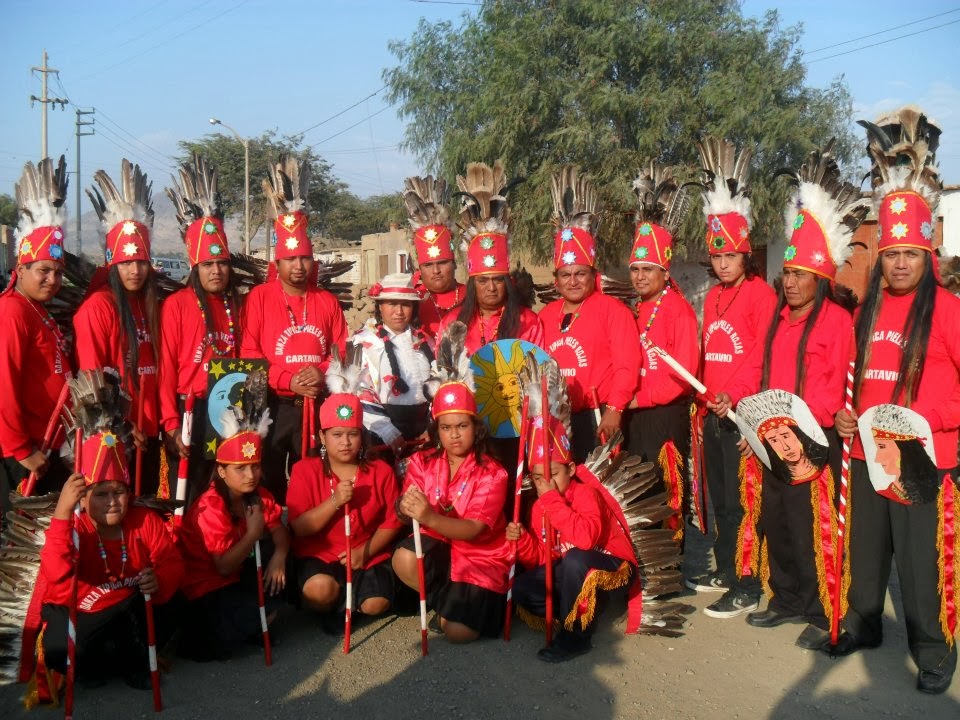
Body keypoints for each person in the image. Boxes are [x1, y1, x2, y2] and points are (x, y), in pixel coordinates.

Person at [832, 107, 958, 694]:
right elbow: (855, 379)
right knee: (867, 552)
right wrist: (847, 413)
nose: (900, 263)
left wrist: (924, 422)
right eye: (891, 254)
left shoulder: (953, 314)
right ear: (880, 257)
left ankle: (933, 651)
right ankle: (863, 625)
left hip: (924, 460)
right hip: (866, 453)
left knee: (920, 564)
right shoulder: (868, 311)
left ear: (927, 254)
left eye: (910, 254)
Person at [744, 143, 865, 649]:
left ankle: (820, 607)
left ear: (819, 276)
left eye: (800, 275)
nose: (790, 282)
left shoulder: (836, 322)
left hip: (812, 441)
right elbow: (759, 367)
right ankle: (787, 597)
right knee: (776, 520)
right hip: (772, 437)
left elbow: (828, 383)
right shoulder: (776, 316)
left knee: (813, 525)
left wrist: (796, 424)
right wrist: (749, 408)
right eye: (787, 274)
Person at [32, 374, 183, 690]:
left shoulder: (143, 520)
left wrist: (160, 579)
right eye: (101, 495)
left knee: (171, 606)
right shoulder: (73, 526)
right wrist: (62, 514)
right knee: (63, 647)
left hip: (132, 612)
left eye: (119, 492)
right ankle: (121, 658)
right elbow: (57, 577)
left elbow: (171, 563)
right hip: (86, 616)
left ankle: (129, 659)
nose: (113, 503)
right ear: (83, 499)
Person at [687, 138, 777, 619]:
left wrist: (734, 397)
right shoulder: (715, 297)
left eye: (730, 257)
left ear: (746, 256)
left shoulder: (761, 295)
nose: (722, 263)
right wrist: (704, 397)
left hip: (743, 416)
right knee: (722, 502)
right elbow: (711, 355)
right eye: (716, 257)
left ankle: (746, 583)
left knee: (744, 505)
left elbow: (760, 357)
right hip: (714, 415)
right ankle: (726, 568)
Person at [240, 155, 348, 504]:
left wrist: (319, 375)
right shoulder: (259, 297)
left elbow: (341, 350)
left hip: (317, 403)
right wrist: (287, 380)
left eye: (305, 258)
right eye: (291, 259)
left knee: (314, 481)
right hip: (274, 403)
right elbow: (250, 353)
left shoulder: (326, 301)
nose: (299, 266)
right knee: (267, 479)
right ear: (278, 263)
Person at [393, 335, 512, 643]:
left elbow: (473, 529)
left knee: (459, 634)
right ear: (437, 431)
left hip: (479, 554)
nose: (454, 435)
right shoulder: (422, 460)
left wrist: (428, 516)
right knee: (404, 558)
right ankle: (444, 602)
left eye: (462, 426)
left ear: (476, 427)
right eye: (446, 428)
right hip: (441, 546)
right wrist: (405, 508)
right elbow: (408, 508)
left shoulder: (493, 473)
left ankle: (454, 609)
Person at [507, 396, 636, 662]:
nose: (547, 483)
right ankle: (570, 610)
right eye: (540, 478)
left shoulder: (585, 494)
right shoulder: (539, 507)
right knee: (520, 587)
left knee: (576, 560)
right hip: (570, 569)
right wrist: (521, 541)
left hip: (610, 565)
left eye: (554, 474)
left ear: (571, 469)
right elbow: (545, 558)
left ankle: (576, 635)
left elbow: (586, 540)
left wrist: (552, 501)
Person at [538, 166, 640, 461]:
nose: (573, 281)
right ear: (556, 280)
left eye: (580, 273)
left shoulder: (613, 310)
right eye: (566, 274)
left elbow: (626, 365)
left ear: (592, 274)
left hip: (599, 417)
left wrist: (615, 410)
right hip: (557, 419)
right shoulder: (547, 315)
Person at [74, 160, 162, 496]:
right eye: (126, 262)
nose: (135, 270)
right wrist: (122, 424)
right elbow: (92, 379)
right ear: (112, 262)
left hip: (150, 425)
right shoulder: (99, 307)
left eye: (141, 261)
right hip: (116, 431)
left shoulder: (148, 305)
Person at [177, 405, 290, 661]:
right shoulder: (210, 507)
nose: (251, 475)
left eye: (255, 466)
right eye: (240, 468)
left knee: (274, 555)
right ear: (222, 471)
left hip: (237, 579)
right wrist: (252, 533)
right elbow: (223, 567)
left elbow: (279, 529)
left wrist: (280, 556)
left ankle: (253, 623)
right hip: (206, 587)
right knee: (228, 637)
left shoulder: (258, 494)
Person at [160, 155, 241, 507]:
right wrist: (171, 422)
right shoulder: (177, 304)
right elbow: (165, 367)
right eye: (208, 264)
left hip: (227, 408)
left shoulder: (236, 303)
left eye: (222, 263)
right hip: (189, 407)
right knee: (190, 496)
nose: (216, 271)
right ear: (195, 266)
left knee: (225, 493)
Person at [623, 164, 699, 535]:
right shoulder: (636, 308)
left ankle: (669, 566)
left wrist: (642, 399)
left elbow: (683, 375)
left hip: (664, 413)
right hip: (635, 413)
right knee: (639, 489)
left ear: (664, 272)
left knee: (666, 488)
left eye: (647, 269)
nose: (639, 276)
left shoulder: (678, 310)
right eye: (635, 269)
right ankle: (647, 566)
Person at [287, 391, 402, 628]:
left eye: (353, 434)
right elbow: (298, 527)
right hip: (320, 553)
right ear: (322, 436)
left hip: (366, 553)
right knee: (320, 592)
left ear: (362, 435)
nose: (345, 442)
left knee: (376, 604)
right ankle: (332, 602)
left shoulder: (380, 470)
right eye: (337, 435)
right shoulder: (304, 470)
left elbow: (393, 520)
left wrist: (365, 551)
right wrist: (334, 502)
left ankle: (353, 602)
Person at [0, 156, 72, 505]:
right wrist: (20, 449)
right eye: (44, 270)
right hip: (23, 454)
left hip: (46, 447)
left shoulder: (36, 309)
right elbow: (4, 384)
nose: (52, 280)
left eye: (58, 272)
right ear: (22, 266)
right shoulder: (12, 311)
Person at [436, 161, 542, 354]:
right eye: (483, 280)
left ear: (507, 282)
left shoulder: (528, 322)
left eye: (498, 280)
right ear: (472, 283)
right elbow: (444, 377)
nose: (491, 288)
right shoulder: (452, 324)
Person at [352, 273, 434, 456]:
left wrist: (434, 426)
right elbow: (360, 389)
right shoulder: (364, 342)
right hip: (380, 433)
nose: (399, 311)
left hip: (425, 433)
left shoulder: (426, 342)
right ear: (380, 306)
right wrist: (387, 431)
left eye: (405, 304)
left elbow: (440, 385)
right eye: (392, 304)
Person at [402, 176, 466, 340]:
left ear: (454, 263)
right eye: (428, 265)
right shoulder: (410, 301)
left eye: (442, 263)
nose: (436, 271)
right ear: (420, 268)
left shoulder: (473, 296)